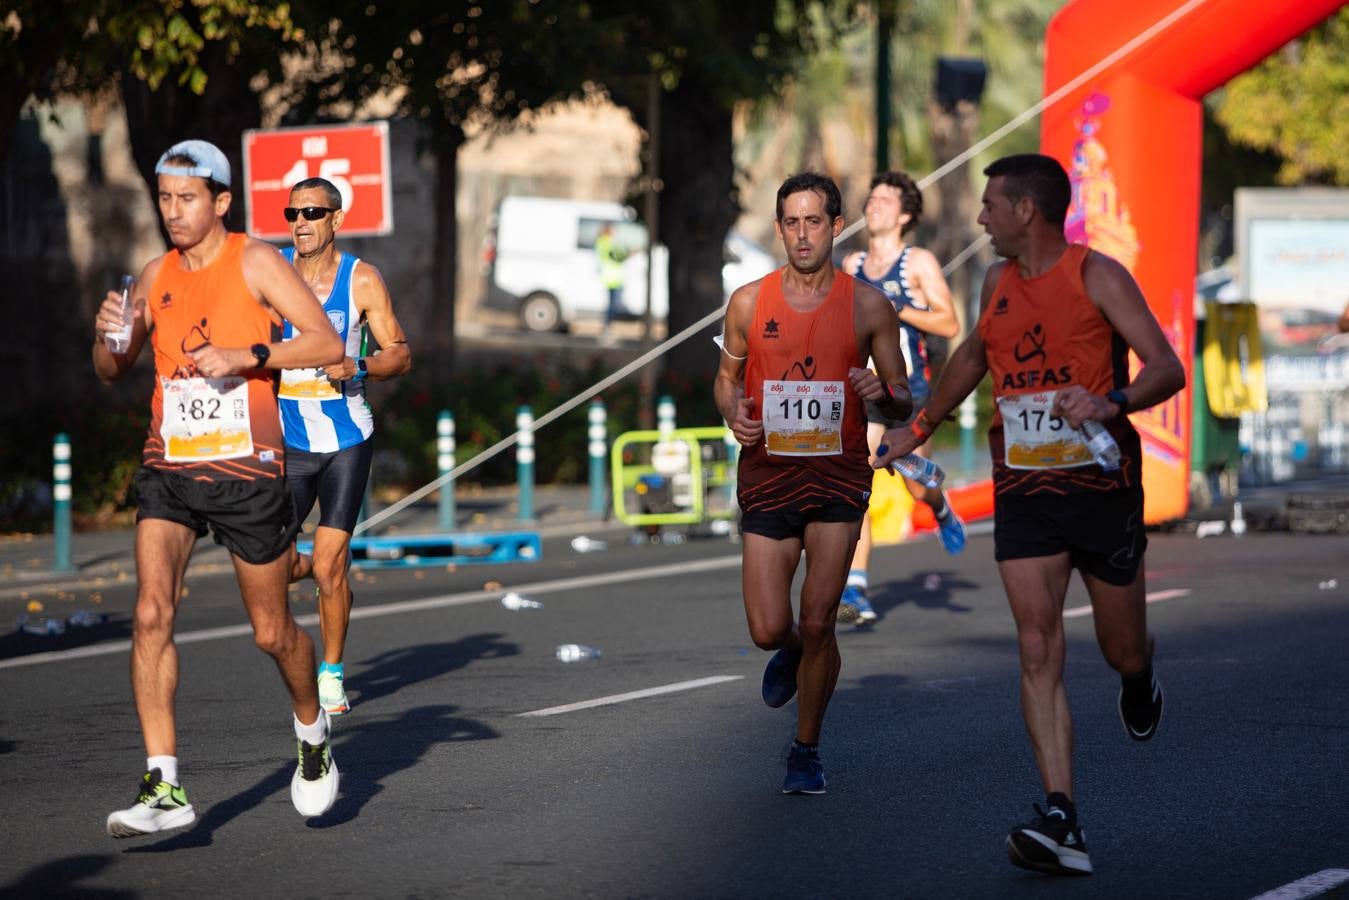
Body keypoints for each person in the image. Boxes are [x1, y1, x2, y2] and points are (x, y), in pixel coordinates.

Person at [874, 153, 1184, 875]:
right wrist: (917, 428)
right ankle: (1060, 816)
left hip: (1100, 485)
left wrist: (1112, 403)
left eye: (990, 205)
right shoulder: (995, 281)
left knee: (1121, 650)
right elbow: (971, 359)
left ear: (1026, 211)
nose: (979, 217)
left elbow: (1165, 366)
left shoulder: (1095, 275)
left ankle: (1139, 679)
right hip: (1023, 489)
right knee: (1037, 645)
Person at [93, 139, 346, 837]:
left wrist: (247, 354)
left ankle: (312, 730)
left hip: (247, 470)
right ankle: (164, 785)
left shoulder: (258, 261)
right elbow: (114, 369)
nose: (173, 212)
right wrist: (108, 341)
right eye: (165, 199)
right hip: (169, 468)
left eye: (187, 199)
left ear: (222, 202)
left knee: (271, 633)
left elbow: (327, 344)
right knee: (149, 613)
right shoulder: (153, 273)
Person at [715, 172, 911, 794]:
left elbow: (903, 394)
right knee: (769, 629)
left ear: (835, 225)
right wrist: (734, 412)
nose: (802, 234)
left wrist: (885, 393)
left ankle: (806, 749)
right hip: (769, 476)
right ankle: (793, 651)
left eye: (814, 221)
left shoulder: (869, 305)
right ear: (779, 230)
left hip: (837, 478)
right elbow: (726, 380)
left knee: (821, 619)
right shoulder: (748, 301)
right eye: (791, 223)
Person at [279, 176, 412, 717]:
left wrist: (359, 364)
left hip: (345, 438)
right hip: (287, 439)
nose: (301, 222)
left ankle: (331, 671)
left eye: (312, 212)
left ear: (336, 219)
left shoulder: (361, 280)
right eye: (293, 212)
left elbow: (399, 353)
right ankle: (325, 564)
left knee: (331, 566)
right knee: (276, 565)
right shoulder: (274, 273)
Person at [837, 171, 966, 627]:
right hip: (864, 391)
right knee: (860, 482)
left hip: (907, 391)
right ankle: (857, 589)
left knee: (913, 487)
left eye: (885, 200)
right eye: (871, 199)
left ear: (905, 214)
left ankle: (940, 504)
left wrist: (896, 308)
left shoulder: (917, 263)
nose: (874, 206)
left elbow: (950, 324)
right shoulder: (850, 265)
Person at [596, 223, 626, 343]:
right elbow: (618, 256)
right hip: (612, 279)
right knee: (612, 307)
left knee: (612, 306)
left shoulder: (605, 241)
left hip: (613, 279)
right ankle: (606, 330)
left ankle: (607, 329)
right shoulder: (606, 242)